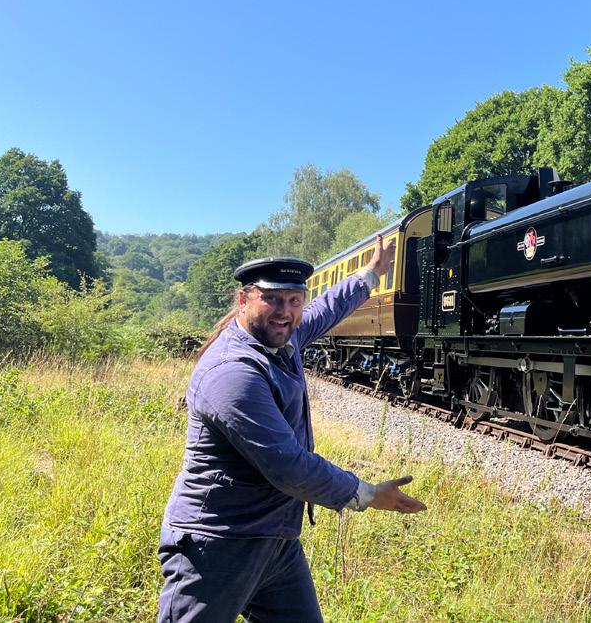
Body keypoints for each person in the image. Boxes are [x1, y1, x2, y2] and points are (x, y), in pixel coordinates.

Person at [157, 235, 425, 623]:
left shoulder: (284, 338)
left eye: (294, 300)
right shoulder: (233, 372)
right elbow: (288, 465)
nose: (285, 311)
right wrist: (366, 494)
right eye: (272, 299)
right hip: (218, 542)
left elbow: (327, 309)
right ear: (244, 299)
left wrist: (370, 275)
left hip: (275, 540)